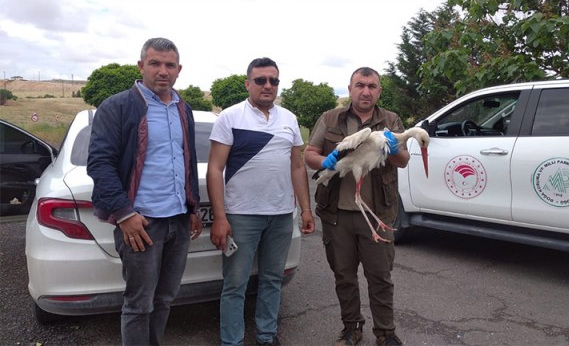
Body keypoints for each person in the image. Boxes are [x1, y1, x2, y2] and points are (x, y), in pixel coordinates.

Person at [87, 37, 203, 345]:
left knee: (165, 299)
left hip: (177, 221)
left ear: (179, 70)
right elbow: (100, 164)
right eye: (155, 63)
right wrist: (124, 214)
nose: (162, 71)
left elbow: (187, 161)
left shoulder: (183, 109)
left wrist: (192, 208)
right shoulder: (117, 107)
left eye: (169, 65)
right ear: (141, 66)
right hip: (141, 224)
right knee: (139, 305)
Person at [207, 57, 315, 346]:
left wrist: (306, 209)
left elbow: (297, 167)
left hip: (281, 215)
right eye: (261, 80)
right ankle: (232, 341)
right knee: (235, 285)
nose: (268, 86)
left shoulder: (289, 119)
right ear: (248, 84)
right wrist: (220, 217)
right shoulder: (230, 117)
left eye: (274, 81)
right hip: (241, 215)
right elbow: (215, 169)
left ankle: (267, 337)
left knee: (272, 281)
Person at [303, 67, 408, 346]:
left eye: (372, 86)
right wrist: (327, 161)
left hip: (377, 214)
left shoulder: (391, 119)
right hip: (337, 214)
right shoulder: (330, 118)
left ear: (379, 91)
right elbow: (310, 155)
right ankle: (352, 328)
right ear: (349, 89)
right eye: (360, 85)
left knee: (380, 277)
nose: (366, 91)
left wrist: (395, 149)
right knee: (344, 277)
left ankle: (385, 332)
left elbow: (404, 160)